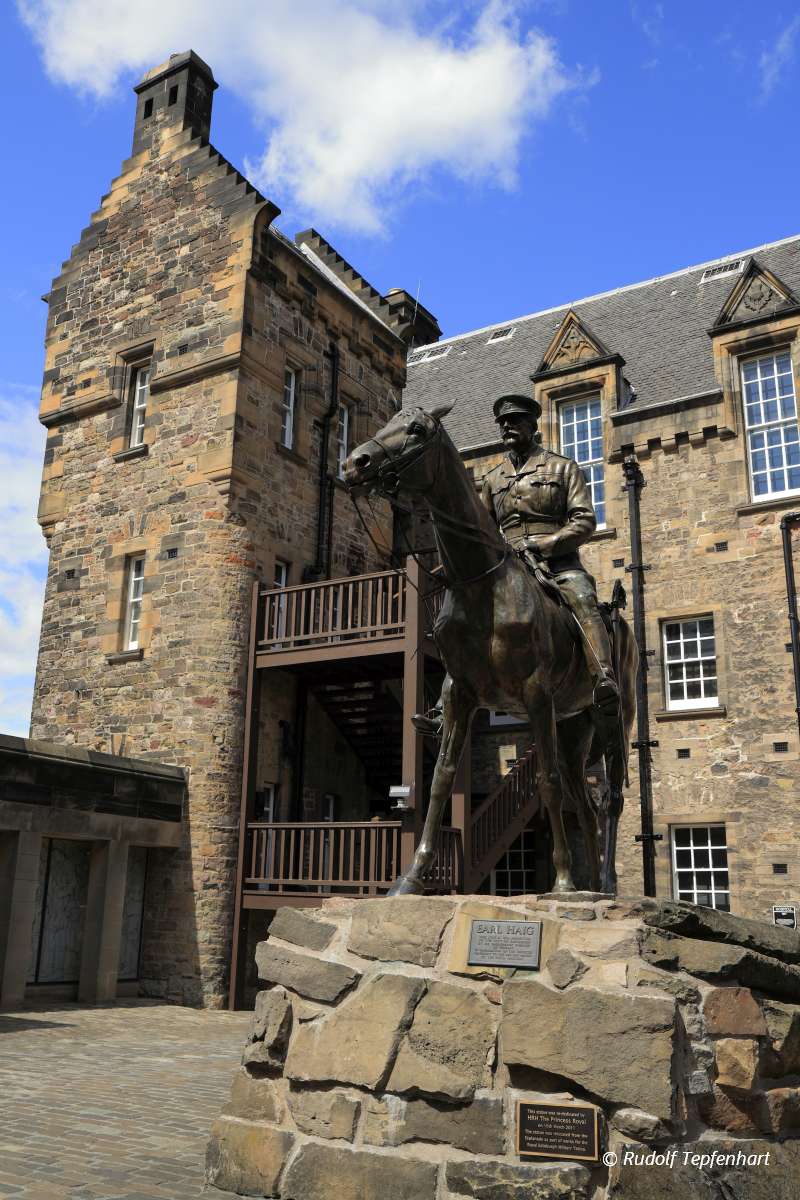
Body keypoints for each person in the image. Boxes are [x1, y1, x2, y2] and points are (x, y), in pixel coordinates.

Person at [413, 392, 618, 736]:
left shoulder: (562, 468)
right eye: (503, 423)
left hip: (557, 563)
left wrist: (546, 543)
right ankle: (443, 706)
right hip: (507, 568)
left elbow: (584, 521)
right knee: (458, 619)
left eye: (515, 421)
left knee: (583, 599)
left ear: (532, 425)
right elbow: (481, 529)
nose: (507, 427)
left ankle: (603, 677)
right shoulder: (493, 479)